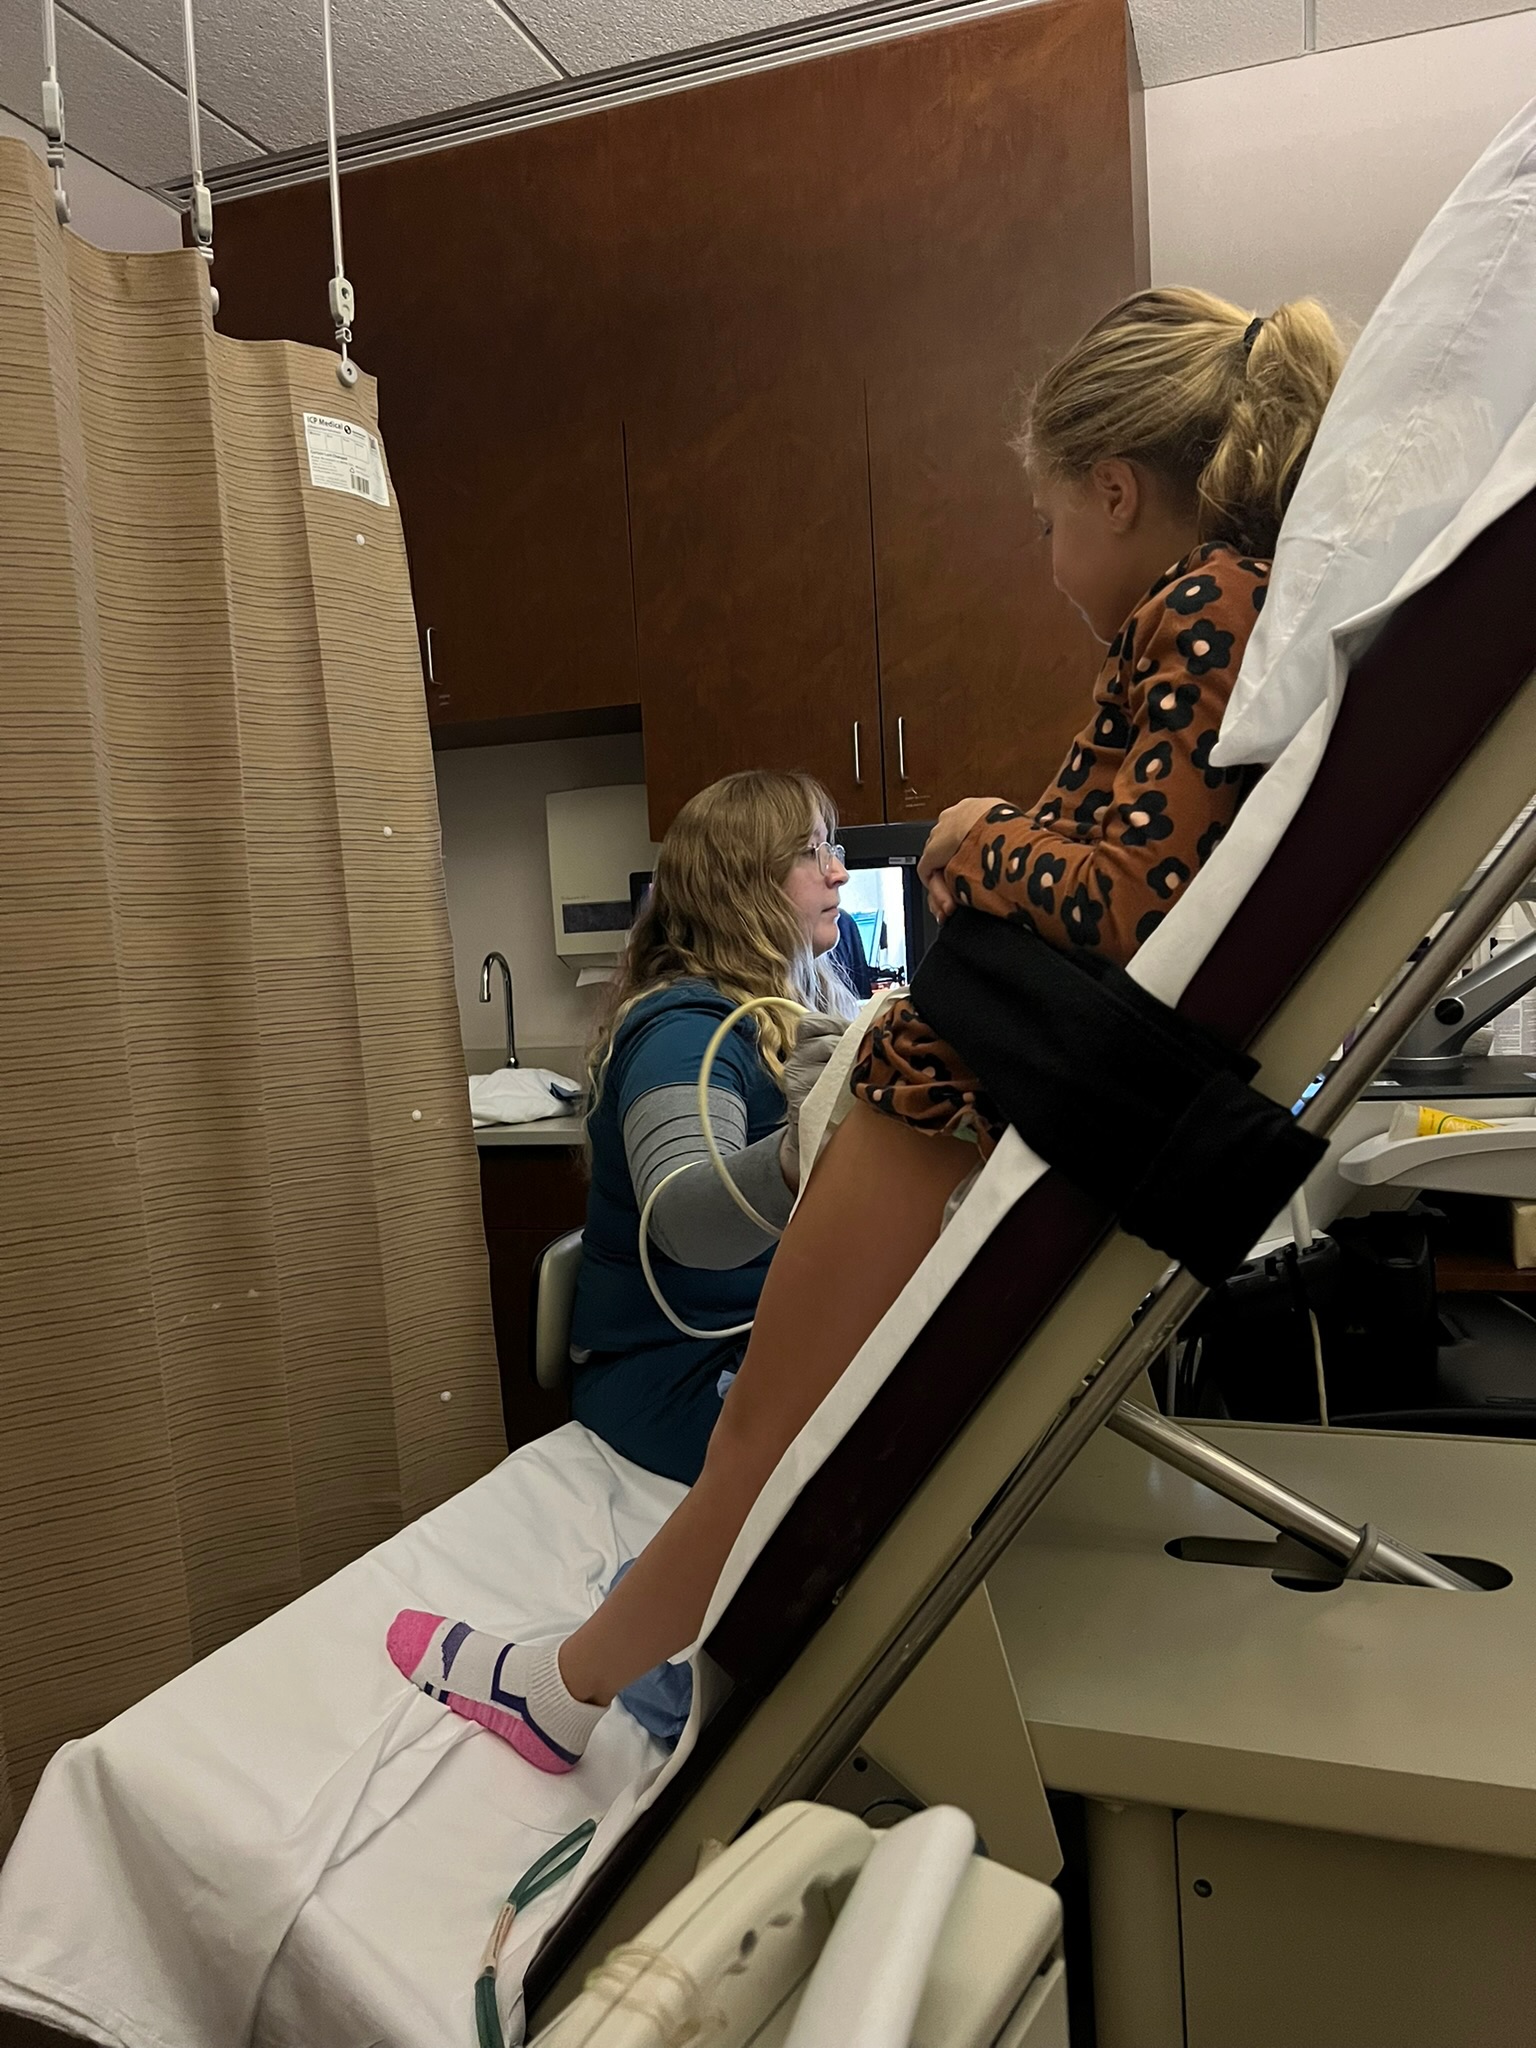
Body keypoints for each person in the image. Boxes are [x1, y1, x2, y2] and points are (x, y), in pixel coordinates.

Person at [389, 288, 1345, 1772]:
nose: (1047, 561)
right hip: (965, 1096)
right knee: (786, 1437)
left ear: (1113, 491)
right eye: (819, 856)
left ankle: (559, 1689)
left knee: (767, 1441)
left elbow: (1127, 901)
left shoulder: (1203, 610)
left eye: (1045, 521)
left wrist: (969, 835)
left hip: (946, 1100)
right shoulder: (1240, 612)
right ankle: (666, 1652)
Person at [564, 768, 855, 1490]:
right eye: (812, 852)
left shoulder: (789, 1009)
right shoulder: (684, 1033)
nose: (839, 873)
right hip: (674, 1374)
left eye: (833, 849)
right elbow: (685, 1222)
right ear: (742, 883)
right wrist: (800, 1148)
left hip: (758, 1345)